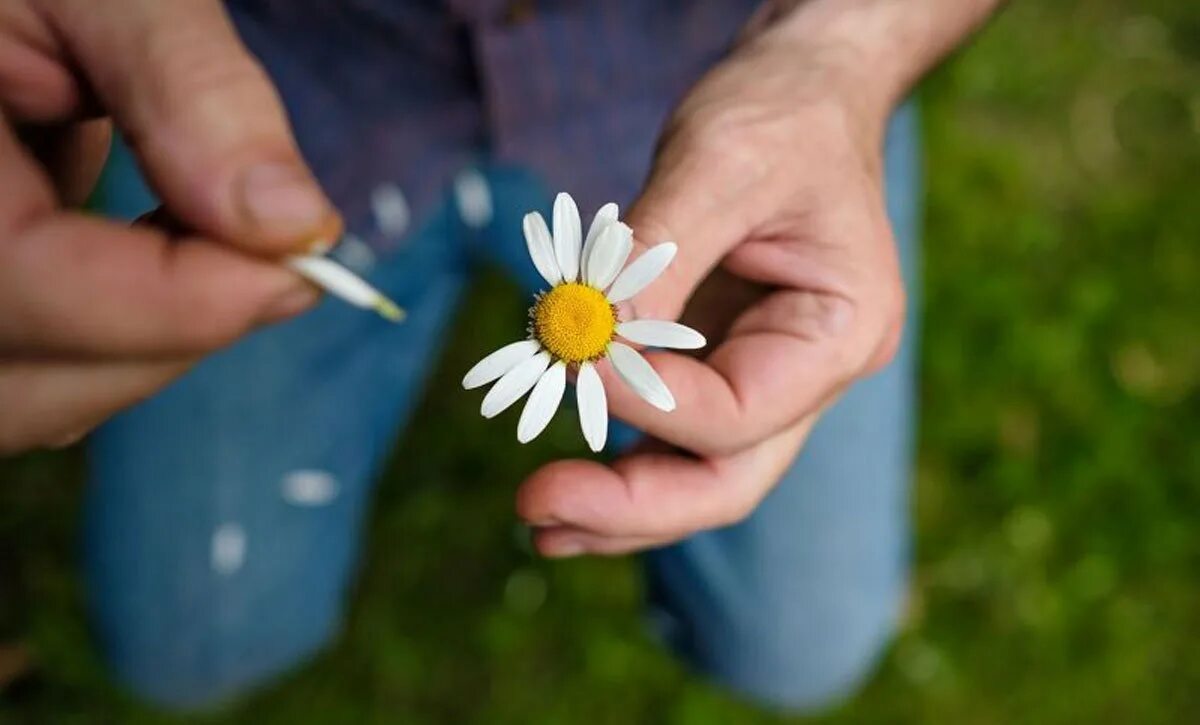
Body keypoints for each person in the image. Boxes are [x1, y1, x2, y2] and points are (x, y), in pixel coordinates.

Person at [0, 0, 1001, 712]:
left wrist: (837, 59)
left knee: (799, 646)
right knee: (187, 648)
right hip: (290, 81)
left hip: (709, 73)